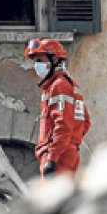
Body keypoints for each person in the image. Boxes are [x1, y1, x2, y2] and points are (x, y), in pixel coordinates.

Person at [23, 38, 90, 178]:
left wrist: (53, 157)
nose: (36, 66)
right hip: (65, 153)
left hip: (57, 157)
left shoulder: (58, 86)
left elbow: (63, 125)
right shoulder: (67, 85)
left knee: (51, 198)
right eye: (35, 61)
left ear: (54, 60)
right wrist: (72, 144)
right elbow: (85, 122)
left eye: (40, 61)